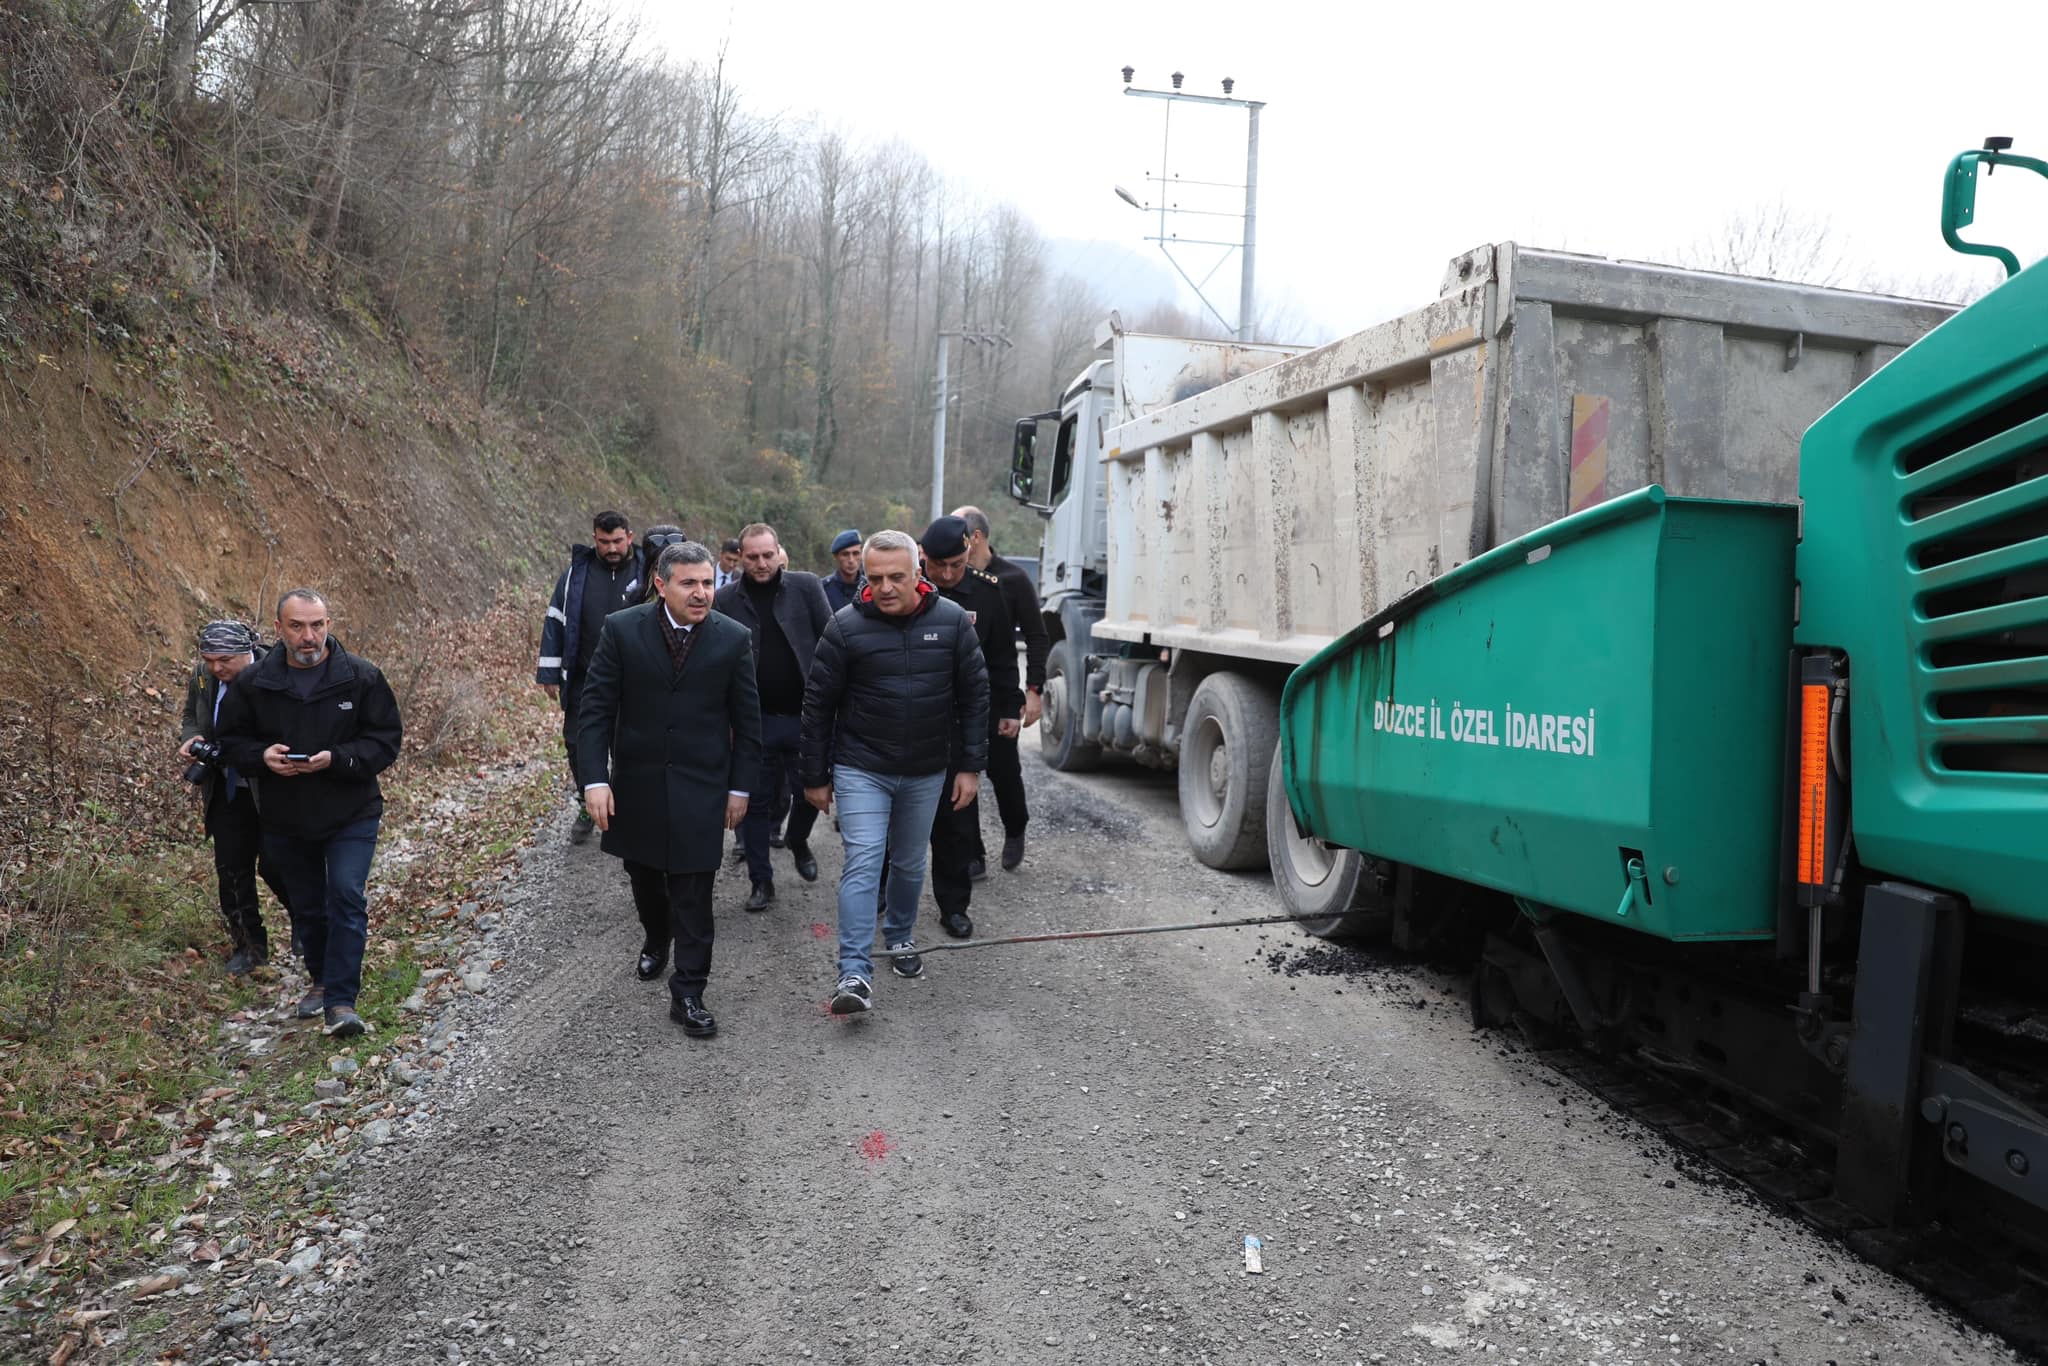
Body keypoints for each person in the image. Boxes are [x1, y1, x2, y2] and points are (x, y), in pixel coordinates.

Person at [578, 542, 761, 1038]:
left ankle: (690, 991)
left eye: (707, 583)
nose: (702, 593)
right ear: (661, 584)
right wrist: (595, 779)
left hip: (703, 786)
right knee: (646, 878)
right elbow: (593, 711)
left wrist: (741, 788)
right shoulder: (621, 630)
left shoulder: (733, 638)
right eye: (690, 584)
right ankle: (656, 936)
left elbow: (748, 724)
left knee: (694, 890)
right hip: (636, 784)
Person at [800, 530, 988, 1014]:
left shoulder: (952, 624)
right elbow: (818, 706)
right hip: (861, 766)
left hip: (927, 768)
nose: (885, 587)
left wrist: (970, 766)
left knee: (908, 862)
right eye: (876, 578)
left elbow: (974, 699)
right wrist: (815, 774)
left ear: (918, 573)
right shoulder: (843, 628)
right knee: (864, 860)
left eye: (896, 577)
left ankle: (901, 936)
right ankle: (855, 973)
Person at [215, 590, 402, 1038]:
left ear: (329, 624)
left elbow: (385, 741)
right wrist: (263, 758)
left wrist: (336, 759)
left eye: (317, 624)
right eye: (297, 626)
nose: (309, 635)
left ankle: (341, 1002)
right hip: (284, 815)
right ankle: (320, 979)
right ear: (277, 630)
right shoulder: (254, 683)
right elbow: (231, 742)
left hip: (351, 811)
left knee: (345, 895)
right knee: (308, 906)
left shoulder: (361, 677)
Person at [713, 522, 831, 910]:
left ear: (779, 551)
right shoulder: (726, 599)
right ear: (740, 559)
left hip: (805, 716)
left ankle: (798, 840)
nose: (761, 564)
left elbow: (831, 642)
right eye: (752, 557)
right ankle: (761, 881)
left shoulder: (806, 587)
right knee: (755, 802)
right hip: (754, 720)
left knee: (811, 793)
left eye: (767, 555)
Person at [918, 516, 1020, 940]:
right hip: (907, 719)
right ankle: (885, 898)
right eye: (936, 565)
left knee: (955, 825)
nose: (944, 574)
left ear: (968, 551)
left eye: (955, 565)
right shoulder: (905, 588)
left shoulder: (986, 592)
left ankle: (954, 905)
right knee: (894, 826)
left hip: (960, 725)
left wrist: (1011, 705)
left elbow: (1001, 659)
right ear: (923, 558)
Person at [178, 620, 293, 975]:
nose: (217, 667)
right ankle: (249, 947)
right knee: (230, 869)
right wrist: (193, 737)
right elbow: (190, 715)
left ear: (246, 652)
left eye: (224, 659)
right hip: (225, 789)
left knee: (277, 864)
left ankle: (310, 924)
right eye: (209, 659)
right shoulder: (203, 678)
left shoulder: (277, 676)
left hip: (272, 789)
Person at [537, 512, 650, 843]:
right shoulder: (576, 574)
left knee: (628, 744)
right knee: (577, 742)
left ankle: (626, 805)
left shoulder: (647, 571)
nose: (612, 548)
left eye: (618, 541)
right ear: (594, 539)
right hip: (585, 678)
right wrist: (548, 670)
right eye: (604, 542)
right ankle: (588, 801)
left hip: (635, 681)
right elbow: (555, 619)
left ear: (630, 536)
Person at [954, 505, 1049, 873]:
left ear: (974, 537)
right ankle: (973, 851)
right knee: (962, 770)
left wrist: (1033, 690)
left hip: (998, 696)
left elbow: (1037, 638)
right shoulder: (952, 577)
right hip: (959, 697)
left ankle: (1015, 828)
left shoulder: (1012, 579)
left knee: (1002, 771)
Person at [822, 528, 863, 612]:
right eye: (845, 554)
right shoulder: (823, 589)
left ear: (862, 555)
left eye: (855, 553)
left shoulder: (869, 587)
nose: (851, 560)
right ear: (836, 557)